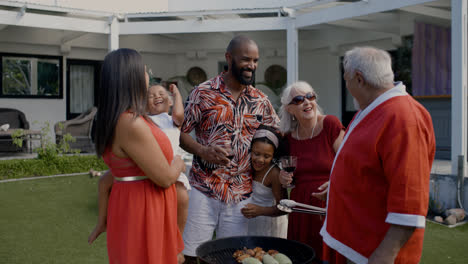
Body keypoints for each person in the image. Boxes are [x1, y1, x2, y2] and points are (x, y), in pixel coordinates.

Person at [320, 46, 436, 264]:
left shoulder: (403, 118)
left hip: (371, 254)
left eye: (346, 80)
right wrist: (337, 187)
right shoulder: (372, 108)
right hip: (352, 244)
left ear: (359, 79)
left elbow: (409, 202)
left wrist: (383, 257)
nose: (347, 85)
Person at [179, 35, 280, 262]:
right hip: (203, 189)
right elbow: (183, 134)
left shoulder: (261, 101)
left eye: (255, 61)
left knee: (234, 256)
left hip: (241, 195)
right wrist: (203, 151)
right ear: (229, 58)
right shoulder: (202, 93)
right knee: (192, 255)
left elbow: (278, 138)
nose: (252, 66)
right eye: (246, 59)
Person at [88, 48, 186, 263]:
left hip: (135, 204)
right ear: (131, 77)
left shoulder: (118, 117)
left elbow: (112, 175)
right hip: (144, 209)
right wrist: (179, 163)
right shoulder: (130, 123)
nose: (147, 76)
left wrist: (102, 219)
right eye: (144, 71)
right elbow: (165, 178)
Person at [278, 81, 345, 264]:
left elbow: (348, 164)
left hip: (329, 205)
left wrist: (335, 184)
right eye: (299, 99)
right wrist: (284, 179)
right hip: (301, 209)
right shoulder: (288, 137)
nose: (307, 102)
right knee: (303, 258)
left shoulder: (330, 124)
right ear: (290, 109)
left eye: (310, 96)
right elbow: (290, 179)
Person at [147, 82, 190, 236]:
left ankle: (178, 235)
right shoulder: (146, 120)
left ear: (170, 102)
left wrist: (177, 93)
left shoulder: (172, 121)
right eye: (151, 96)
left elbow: (179, 114)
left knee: (182, 196)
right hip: (154, 167)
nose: (157, 96)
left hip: (173, 166)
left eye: (161, 94)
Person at [240, 125, 288, 238]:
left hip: (270, 226)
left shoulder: (274, 173)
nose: (260, 160)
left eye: (266, 156)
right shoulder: (245, 166)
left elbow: (284, 207)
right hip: (250, 222)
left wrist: (260, 211)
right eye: (256, 154)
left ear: (273, 156)